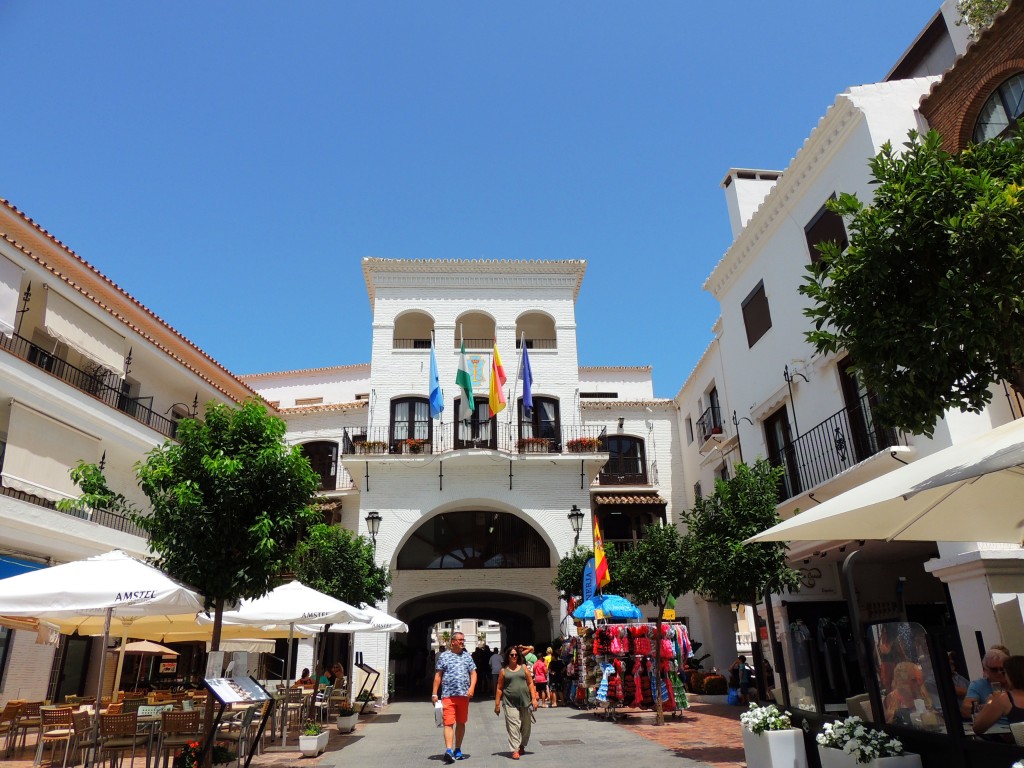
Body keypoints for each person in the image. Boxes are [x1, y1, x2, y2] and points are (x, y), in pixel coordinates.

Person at [432, 631, 477, 764]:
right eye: (460, 640)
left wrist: (472, 687)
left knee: (461, 722)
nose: (462, 642)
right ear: (453, 642)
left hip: (463, 695)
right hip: (448, 696)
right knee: (448, 723)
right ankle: (449, 750)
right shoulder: (444, 656)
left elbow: (473, 673)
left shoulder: (467, 656)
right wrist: (434, 693)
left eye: (463, 640)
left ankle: (458, 748)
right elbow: (438, 676)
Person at [494, 644, 539, 760]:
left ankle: (522, 745)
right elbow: (499, 688)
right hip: (509, 702)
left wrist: (534, 699)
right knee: (513, 726)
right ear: (508, 656)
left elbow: (530, 683)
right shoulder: (503, 671)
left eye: (515, 655)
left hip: (525, 701)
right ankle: (514, 749)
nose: (514, 656)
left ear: (518, 656)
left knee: (526, 725)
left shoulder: (524, 668)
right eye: (511, 655)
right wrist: (497, 704)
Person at [973, 655, 1024, 737]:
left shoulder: (1005, 698)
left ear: (1010, 675)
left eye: (1004, 673)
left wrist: (989, 702)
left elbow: (978, 727)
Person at [961, 648, 1009, 720]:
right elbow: (966, 709)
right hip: (994, 727)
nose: (999, 672)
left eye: (1002, 669)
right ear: (986, 670)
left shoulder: (1016, 682)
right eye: (994, 669)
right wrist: (990, 705)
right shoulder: (979, 685)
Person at [883, 661, 933, 726]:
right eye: (914, 680)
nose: (919, 683)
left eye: (920, 679)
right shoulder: (892, 699)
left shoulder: (921, 692)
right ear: (902, 682)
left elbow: (933, 716)